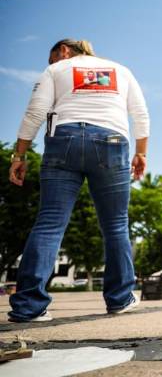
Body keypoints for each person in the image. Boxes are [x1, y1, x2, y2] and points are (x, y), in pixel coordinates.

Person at [7, 39, 149, 322]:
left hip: (64, 140)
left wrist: (19, 156)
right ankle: (120, 298)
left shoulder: (56, 70)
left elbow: (35, 112)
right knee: (116, 225)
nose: (51, 64)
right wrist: (141, 153)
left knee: (49, 222)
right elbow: (140, 114)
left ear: (63, 51)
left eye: (52, 59)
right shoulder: (120, 70)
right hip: (111, 141)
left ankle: (28, 306)